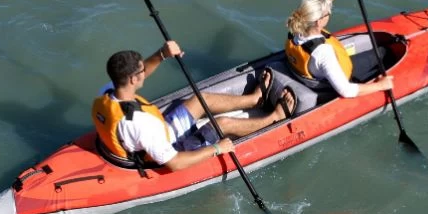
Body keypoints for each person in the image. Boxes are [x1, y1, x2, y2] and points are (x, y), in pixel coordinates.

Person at [93, 42, 296, 171]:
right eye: (141, 71)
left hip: (161, 132)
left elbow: (141, 72)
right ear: (132, 79)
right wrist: (217, 148)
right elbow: (175, 163)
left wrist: (162, 54)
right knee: (221, 124)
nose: (144, 71)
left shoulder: (107, 92)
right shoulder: (143, 124)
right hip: (170, 150)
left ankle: (253, 100)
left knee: (201, 99)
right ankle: (275, 118)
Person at [284, 0, 394, 98]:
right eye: (328, 13)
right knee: (384, 53)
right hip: (334, 81)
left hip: (311, 70)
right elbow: (346, 91)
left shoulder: (296, 28)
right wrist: (381, 86)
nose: (330, 13)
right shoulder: (323, 53)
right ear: (319, 22)